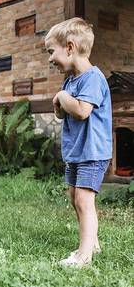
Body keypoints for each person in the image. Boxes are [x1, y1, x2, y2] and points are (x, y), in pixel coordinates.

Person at [45, 18, 112, 268]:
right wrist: (60, 106)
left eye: (52, 51)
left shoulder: (93, 78)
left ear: (70, 47)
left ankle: (84, 256)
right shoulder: (71, 81)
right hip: (77, 152)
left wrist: (62, 96)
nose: (50, 59)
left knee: (84, 201)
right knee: (75, 198)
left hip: (92, 152)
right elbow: (68, 113)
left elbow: (83, 111)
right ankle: (91, 242)